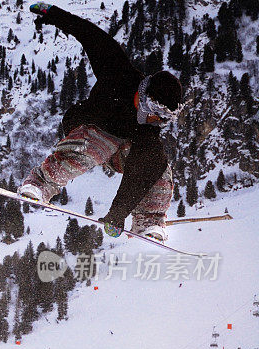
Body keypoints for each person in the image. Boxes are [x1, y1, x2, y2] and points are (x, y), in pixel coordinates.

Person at [19, 3, 183, 242]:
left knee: (158, 166)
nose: (158, 120)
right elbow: (89, 34)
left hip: (119, 151)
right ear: (148, 97)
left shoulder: (148, 128)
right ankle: (41, 184)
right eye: (158, 111)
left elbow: (141, 172)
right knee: (101, 142)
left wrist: (117, 214)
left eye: (166, 117)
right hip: (89, 127)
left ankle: (149, 221)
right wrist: (52, 14)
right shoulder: (119, 72)